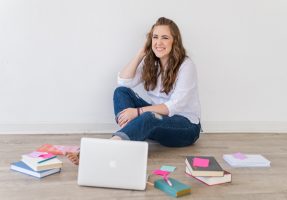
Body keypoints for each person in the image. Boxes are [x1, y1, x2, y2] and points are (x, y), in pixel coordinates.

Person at [66, 17, 201, 165]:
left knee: (149, 116)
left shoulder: (186, 66)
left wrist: (137, 112)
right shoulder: (151, 63)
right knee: (121, 92)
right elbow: (124, 81)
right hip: (156, 122)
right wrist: (141, 53)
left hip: (186, 127)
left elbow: (173, 107)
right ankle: (127, 138)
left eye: (165, 38)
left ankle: (103, 149)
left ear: (174, 41)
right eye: (155, 37)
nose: (158, 42)